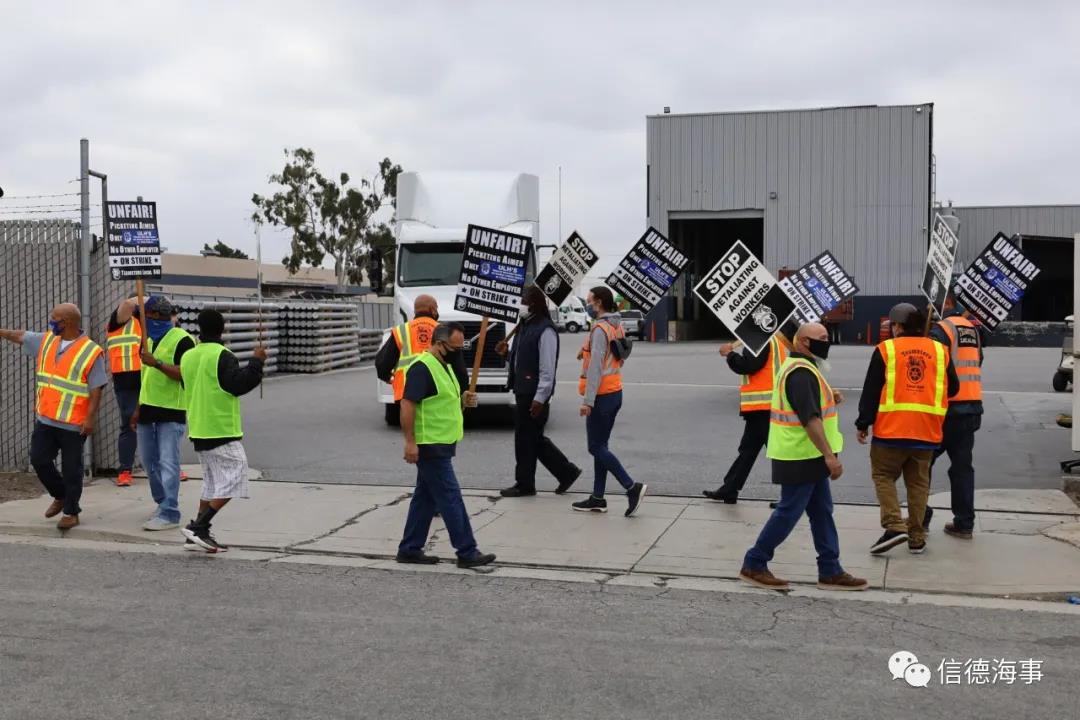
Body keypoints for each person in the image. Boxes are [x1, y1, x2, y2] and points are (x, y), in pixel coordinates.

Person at [740, 323, 867, 591]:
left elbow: (809, 403)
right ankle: (755, 562)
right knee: (788, 512)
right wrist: (829, 457)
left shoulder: (807, 368)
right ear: (804, 342)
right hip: (800, 455)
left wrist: (830, 397)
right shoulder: (800, 373)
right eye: (821, 338)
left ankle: (830, 569)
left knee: (822, 512)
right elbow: (810, 420)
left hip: (808, 455)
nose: (827, 341)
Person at [856, 303, 958, 556]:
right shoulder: (940, 351)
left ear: (898, 326)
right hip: (926, 432)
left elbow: (871, 389)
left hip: (891, 430)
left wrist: (863, 422)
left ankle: (894, 525)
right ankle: (916, 537)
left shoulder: (886, 349)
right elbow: (953, 388)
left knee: (883, 476)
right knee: (918, 485)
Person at [395, 322, 496, 568]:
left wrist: (464, 399)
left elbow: (444, 402)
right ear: (440, 344)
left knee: (425, 498)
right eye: (455, 347)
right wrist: (410, 442)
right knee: (451, 497)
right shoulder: (422, 368)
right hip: (430, 445)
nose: (458, 352)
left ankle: (409, 548)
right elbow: (407, 404)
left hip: (443, 442)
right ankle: (467, 551)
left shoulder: (445, 366)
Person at [1, 304, 107, 529]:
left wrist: (90, 419)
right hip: (46, 419)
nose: (51, 322)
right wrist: (2, 332)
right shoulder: (48, 340)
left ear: (67, 322)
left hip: (73, 423)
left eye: (54, 319)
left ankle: (71, 512)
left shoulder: (90, 351)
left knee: (72, 470)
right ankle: (60, 495)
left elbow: (96, 389)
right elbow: (20, 336)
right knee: (39, 459)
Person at [179, 309, 265, 553]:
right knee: (236, 476)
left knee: (211, 481)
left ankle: (196, 534)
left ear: (199, 328)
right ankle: (199, 526)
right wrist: (257, 362)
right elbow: (237, 385)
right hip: (220, 428)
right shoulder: (222, 355)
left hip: (198, 427)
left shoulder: (188, 356)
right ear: (223, 328)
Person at [498, 285, 581, 497]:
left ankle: (526, 484)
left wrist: (540, 397)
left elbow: (546, 368)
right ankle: (565, 472)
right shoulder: (525, 326)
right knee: (531, 439)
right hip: (523, 389)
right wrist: (506, 354)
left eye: (523, 300)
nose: (520, 305)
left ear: (533, 303)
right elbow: (522, 360)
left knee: (527, 440)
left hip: (534, 394)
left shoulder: (545, 330)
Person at [570, 287, 647, 517]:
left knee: (595, 447)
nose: (588, 304)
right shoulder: (616, 324)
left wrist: (588, 401)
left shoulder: (600, 329)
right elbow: (617, 357)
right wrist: (585, 350)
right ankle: (598, 497)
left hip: (601, 395)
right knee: (601, 446)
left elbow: (595, 368)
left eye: (591, 301)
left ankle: (632, 487)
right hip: (615, 392)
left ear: (600, 302)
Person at [703, 331, 790, 504]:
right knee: (748, 450)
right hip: (764, 406)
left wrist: (730, 354)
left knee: (777, 452)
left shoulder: (760, 339)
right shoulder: (774, 340)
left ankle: (791, 496)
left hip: (764, 406)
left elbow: (749, 365)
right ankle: (730, 488)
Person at [134, 296, 195, 532]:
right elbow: (145, 378)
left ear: (161, 316)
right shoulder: (147, 340)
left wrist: (157, 363)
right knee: (150, 463)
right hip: (147, 409)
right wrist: (138, 409)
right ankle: (162, 503)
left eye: (147, 316)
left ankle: (170, 511)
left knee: (168, 462)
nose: (145, 321)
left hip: (171, 410)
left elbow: (184, 373)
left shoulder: (183, 340)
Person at [927, 294, 984, 538]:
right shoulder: (972, 329)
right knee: (962, 467)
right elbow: (978, 361)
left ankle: (920, 517)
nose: (928, 307)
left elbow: (933, 363)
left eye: (932, 303)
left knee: (921, 464)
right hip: (971, 407)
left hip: (946, 409)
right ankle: (964, 523)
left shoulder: (942, 329)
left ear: (945, 304)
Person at [376, 294, 469, 411]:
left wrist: (387, 377)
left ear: (415, 311)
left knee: (412, 425)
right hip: (439, 391)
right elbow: (459, 368)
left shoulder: (401, 331)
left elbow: (382, 363)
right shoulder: (445, 331)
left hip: (407, 392)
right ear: (432, 310)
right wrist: (462, 392)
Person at [105, 295, 143, 487]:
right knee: (129, 423)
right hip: (126, 378)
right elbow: (128, 304)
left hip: (150, 377)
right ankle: (125, 470)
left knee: (161, 423)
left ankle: (169, 466)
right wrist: (145, 298)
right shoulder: (117, 322)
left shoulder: (146, 321)